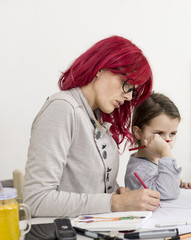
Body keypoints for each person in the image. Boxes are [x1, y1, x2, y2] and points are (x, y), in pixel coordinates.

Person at [23, 36, 160, 217]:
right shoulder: (63, 108)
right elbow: (36, 201)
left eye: (133, 91)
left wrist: (119, 194)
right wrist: (115, 202)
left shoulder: (96, 117)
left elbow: (88, 189)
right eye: (126, 85)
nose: (128, 97)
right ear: (100, 69)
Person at [125, 92, 191, 200]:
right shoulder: (137, 171)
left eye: (172, 133)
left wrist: (180, 184)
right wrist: (166, 152)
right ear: (138, 133)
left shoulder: (156, 161)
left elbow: (166, 186)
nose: (167, 140)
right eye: (159, 133)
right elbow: (168, 193)